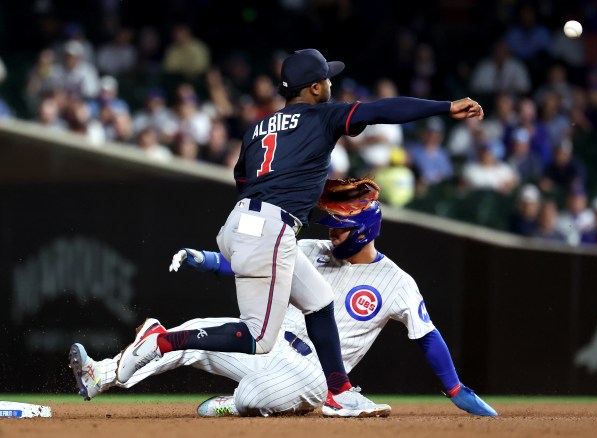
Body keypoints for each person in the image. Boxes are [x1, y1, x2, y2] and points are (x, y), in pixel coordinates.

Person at [110, 48, 485, 412]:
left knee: (320, 302)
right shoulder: (323, 116)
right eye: (327, 79)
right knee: (257, 337)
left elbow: (243, 176)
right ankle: (161, 340)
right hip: (271, 223)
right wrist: (445, 106)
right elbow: (382, 110)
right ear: (316, 88)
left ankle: (339, 392)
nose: (330, 85)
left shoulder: (259, 126)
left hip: (243, 216)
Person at [69, 196, 497, 418]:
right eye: (332, 227)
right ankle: (101, 374)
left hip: (311, 371)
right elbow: (247, 263)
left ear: (365, 232)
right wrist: (206, 259)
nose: (333, 235)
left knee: (254, 394)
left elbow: (428, 336)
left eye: (342, 230)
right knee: (190, 334)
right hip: (267, 341)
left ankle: (238, 404)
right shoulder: (312, 249)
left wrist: (455, 388)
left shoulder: (397, 282)